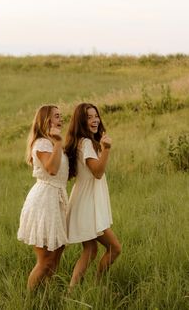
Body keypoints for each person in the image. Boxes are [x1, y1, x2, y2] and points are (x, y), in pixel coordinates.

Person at [65, 103, 121, 288]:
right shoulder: (86, 143)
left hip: (84, 202)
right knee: (114, 248)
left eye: (95, 115)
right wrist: (106, 149)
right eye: (89, 117)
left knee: (90, 249)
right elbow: (97, 172)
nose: (95, 120)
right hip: (87, 206)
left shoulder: (83, 142)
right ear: (81, 121)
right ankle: (98, 286)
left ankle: (71, 292)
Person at [17, 105, 69, 290]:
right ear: (46, 120)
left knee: (57, 252)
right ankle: (29, 300)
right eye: (56, 116)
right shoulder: (42, 143)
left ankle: (47, 295)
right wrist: (58, 143)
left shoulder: (52, 142)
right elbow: (52, 169)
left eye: (61, 116)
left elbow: (63, 172)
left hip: (57, 199)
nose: (61, 119)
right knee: (45, 259)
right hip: (44, 201)